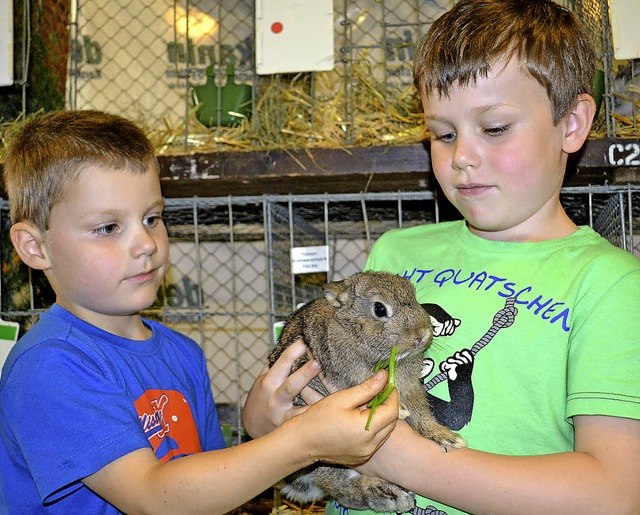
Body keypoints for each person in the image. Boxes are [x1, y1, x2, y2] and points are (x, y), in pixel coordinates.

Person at [242, 0, 640, 513]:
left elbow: (616, 492)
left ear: (572, 123)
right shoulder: (396, 255)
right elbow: (297, 404)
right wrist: (263, 419)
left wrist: (387, 453)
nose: (462, 157)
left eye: (494, 128)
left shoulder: (611, 286)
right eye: (443, 133)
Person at [0, 110, 399, 514]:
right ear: (35, 247)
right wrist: (303, 441)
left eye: (152, 218)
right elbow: (152, 498)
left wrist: (266, 428)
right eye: (108, 228)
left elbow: (208, 488)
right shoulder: (50, 365)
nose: (147, 244)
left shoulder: (182, 353)